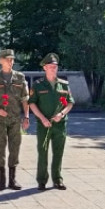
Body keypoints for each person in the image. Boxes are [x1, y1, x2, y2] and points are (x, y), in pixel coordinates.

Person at [0, 49, 30, 190]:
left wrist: (26, 116)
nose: (10, 62)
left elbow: (25, 99)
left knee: (15, 147)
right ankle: (2, 179)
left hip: (15, 119)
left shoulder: (20, 78)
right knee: (0, 147)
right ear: (1, 61)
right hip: (0, 119)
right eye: (7, 59)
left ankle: (12, 179)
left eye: (12, 59)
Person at [29, 53, 74, 190]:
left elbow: (70, 103)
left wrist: (61, 114)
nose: (53, 69)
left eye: (55, 67)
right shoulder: (38, 85)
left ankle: (57, 179)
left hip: (60, 125)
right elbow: (32, 103)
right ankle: (42, 180)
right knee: (43, 152)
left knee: (58, 152)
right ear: (45, 68)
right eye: (50, 67)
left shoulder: (64, 85)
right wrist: (42, 119)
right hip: (44, 125)